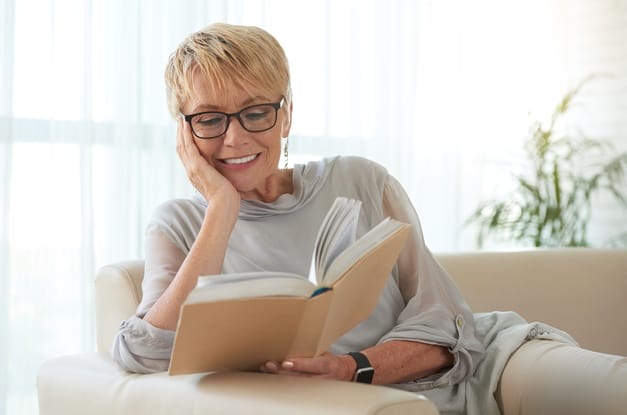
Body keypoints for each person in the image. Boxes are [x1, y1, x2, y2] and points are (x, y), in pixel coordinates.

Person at [112, 23, 574, 414]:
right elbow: (145, 352)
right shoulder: (177, 224)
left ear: (286, 114)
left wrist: (351, 367)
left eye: (256, 113)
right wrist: (222, 208)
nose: (234, 139)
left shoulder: (361, 181)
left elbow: (449, 324)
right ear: (183, 131)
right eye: (210, 119)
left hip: (443, 388)